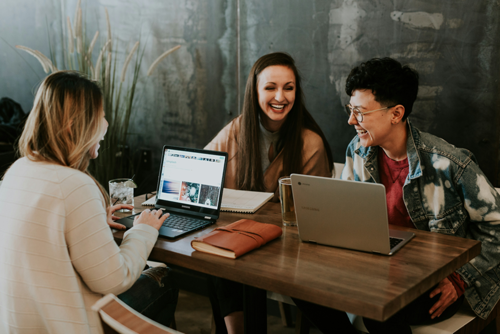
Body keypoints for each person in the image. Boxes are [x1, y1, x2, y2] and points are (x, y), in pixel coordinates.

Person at [293, 57, 500, 334]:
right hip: (376, 270)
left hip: (433, 279)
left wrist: (460, 279)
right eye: (350, 109)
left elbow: (496, 227)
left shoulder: (449, 163)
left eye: (361, 112)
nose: (351, 120)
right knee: (299, 284)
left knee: (379, 308)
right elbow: (346, 220)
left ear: (396, 113)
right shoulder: (358, 150)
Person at [0, 71, 178, 333]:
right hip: (66, 325)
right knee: (165, 278)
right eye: (101, 115)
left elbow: (41, 237)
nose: (106, 124)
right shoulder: (75, 185)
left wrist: (92, 218)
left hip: (20, 323)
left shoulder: (17, 170)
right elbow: (113, 280)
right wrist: (144, 229)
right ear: (76, 124)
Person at [205, 52, 334, 334]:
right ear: (255, 91)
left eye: (288, 88)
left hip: (288, 249)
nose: (280, 96)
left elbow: (315, 214)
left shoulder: (309, 143)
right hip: (239, 240)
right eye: (270, 87)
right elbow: (203, 171)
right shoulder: (237, 130)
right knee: (217, 257)